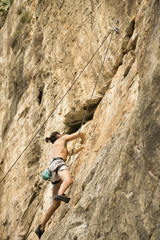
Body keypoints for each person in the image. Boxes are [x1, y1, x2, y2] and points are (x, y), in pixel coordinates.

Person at [35, 130, 85, 239]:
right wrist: (82, 140)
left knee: (55, 204)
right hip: (59, 165)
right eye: (61, 134)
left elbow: (70, 153)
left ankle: (41, 227)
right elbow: (80, 133)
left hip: (53, 171)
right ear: (58, 136)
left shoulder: (55, 148)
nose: (62, 135)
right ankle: (61, 193)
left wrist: (82, 148)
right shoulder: (62, 139)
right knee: (68, 181)